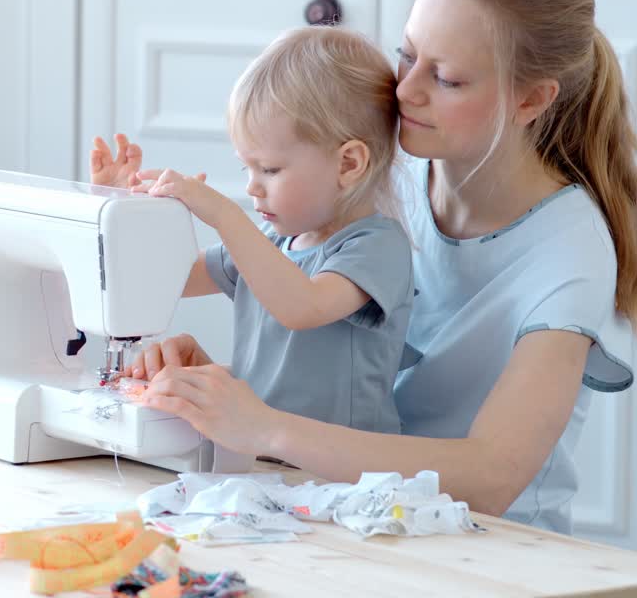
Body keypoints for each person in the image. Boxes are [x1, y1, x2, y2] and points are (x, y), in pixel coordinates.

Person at [96, 0, 637, 535]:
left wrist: (263, 426)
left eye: (445, 78)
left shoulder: (567, 253)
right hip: (356, 515)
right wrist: (224, 387)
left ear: (531, 100)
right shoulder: (388, 183)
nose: (407, 90)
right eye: (407, 55)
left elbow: (492, 478)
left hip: (493, 550)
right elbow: (350, 378)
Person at [93, 25, 412, 434]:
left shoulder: (377, 247)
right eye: (248, 168)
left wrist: (225, 215)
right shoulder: (271, 243)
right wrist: (122, 209)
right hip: (265, 457)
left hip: (342, 472)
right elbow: (164, 280)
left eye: (270, 169)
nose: (251, 186)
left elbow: (302, 307)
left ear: (348, 164)